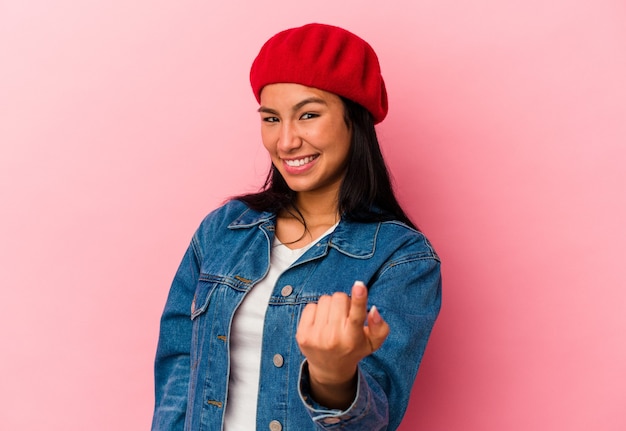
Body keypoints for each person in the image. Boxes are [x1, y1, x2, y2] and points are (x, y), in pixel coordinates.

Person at [151, 23, 442, 431]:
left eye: (308, 115)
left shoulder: (402, 259)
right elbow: (178, 371)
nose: (286, 141)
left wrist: (333, 378)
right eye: (271, 118)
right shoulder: (223, 230)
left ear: (353, 121)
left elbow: (377, 418)